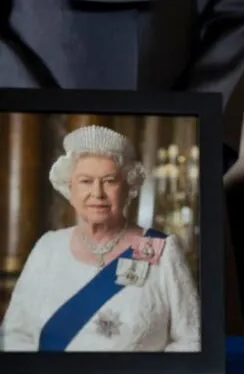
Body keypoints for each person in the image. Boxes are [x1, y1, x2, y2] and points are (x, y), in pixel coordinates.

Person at [0, 0, 244, 333]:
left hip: (167, 154)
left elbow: (234, 12)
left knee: (183, 370)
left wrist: (192, 138)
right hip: (13, 157)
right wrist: (32, 119)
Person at [0, 125, 200, 352]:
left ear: (128, 188)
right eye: (86, 181)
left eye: (109, 181)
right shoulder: (48, 248)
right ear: (70, 189)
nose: (97, 193)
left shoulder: (162, 250)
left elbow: (191, 340)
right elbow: (15, 334)